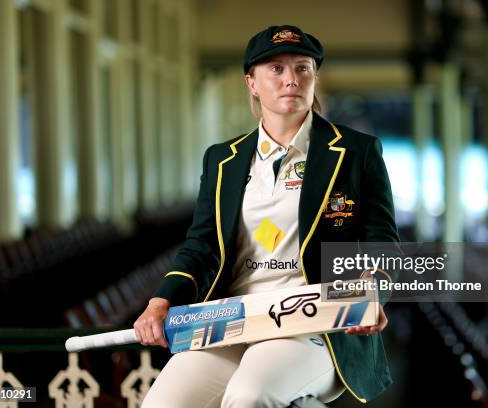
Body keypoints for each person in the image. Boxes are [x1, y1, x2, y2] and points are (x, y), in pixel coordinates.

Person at [135, 25, 399, 407]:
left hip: (314, 326)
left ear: (314, 78)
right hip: (231, 323)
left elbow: (382, 244)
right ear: (252, 83)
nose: (290, 78)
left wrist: (372, 290)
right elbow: (202, 246)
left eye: (302, 68)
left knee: (249, 396)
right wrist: (161, 301)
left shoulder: (358, 152)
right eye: (275, 69)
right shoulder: (222, 160)